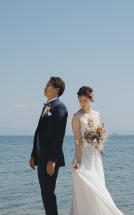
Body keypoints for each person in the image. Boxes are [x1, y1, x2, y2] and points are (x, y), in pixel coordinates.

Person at [69, 86, 124, 215]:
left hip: (95, 156)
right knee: (88, 190)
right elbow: (77, 140)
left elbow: (97, 133)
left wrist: (100, 145)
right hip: (83, 156)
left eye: (85, 100)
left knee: (99, 187)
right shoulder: (76, 117)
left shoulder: (97, 115)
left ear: (91, 99)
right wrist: (78, 160)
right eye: (80, 100)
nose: (82, 103)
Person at [30, 77, 68, 215]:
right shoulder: (47, 106)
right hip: (42, 157)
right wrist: (33, 154)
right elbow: (39, 132)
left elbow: (59, 136)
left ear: (56, 90)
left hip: (50, 160)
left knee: (48, 193)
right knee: (45, 194)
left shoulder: (59, 107)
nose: (45, 87)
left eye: (48, 85)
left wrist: (52, 159)